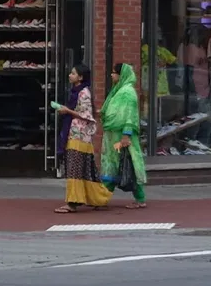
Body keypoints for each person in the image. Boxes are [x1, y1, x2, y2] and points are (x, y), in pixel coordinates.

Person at [53, 65, 110, 213]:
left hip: (78, 135)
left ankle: (73, 202)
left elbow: (86, 115)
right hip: (80, 135)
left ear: (80, 77)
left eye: (73, 73)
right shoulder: (77, 92)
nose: (70, 75)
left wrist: (67, 110)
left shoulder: (83, 93)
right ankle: (98, 198)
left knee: (74, 169)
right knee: (87, 169)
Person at [99, 62, 148, 208]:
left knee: (126, 163)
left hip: (122, 136)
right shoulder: (119, 90)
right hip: (114, 134)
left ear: (121, 75)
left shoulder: (127, 92)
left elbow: (130, 115)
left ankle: (138, 199)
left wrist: (126, 135)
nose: (111, 75)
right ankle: (103, 198)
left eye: (114, 72)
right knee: (114, 164)